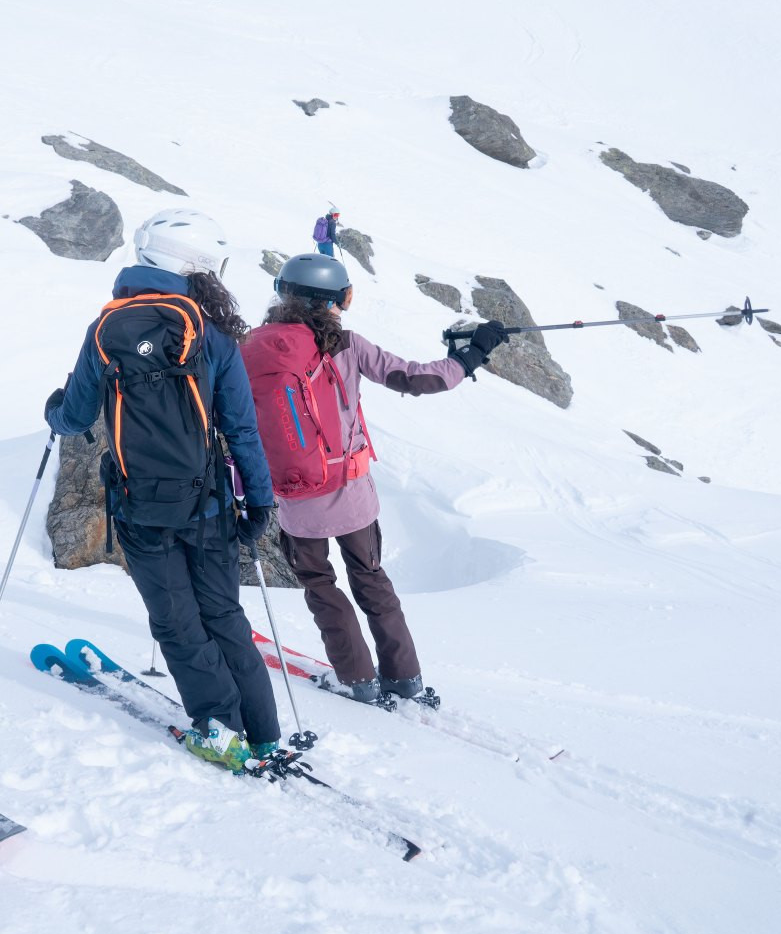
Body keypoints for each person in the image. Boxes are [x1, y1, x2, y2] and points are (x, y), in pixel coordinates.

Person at [44, 208, 282, 771]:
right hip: (211, 507)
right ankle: (264, 732)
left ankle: (219, 729)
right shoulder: (212, 335)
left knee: (176, 622)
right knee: (223, 616)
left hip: (141, 507)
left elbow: (75, 418)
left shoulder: (107, 327)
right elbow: (242, 429)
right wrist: (260, 501)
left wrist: (55, 408)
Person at [247, 253, 508, 703]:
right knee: (371, 578)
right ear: (337, 300)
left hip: (294, 495)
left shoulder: (250, 347)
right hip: (351, 492)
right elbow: (417, 378)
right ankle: (403, 677)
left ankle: (357, 680)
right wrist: (471, 355)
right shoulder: (346, 344)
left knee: (320, 586)